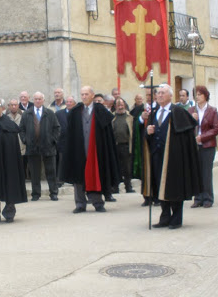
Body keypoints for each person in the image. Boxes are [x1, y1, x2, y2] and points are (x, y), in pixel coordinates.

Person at [143, 84, 201, 229]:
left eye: (163, 93)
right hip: (157, 156)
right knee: (160, 187)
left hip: (174, 157)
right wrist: (147, 132)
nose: (160, 95)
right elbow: (148, 136)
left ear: (170, 95)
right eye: (158, 93)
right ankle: (164, 217)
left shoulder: (178, 112)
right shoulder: (154, 113)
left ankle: (176, 218)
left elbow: (186, 134)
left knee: (174, 187)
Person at [60, 85, 119, 213]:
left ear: (92, 95)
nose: (84, 97)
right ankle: (80, 204)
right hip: (79, 149)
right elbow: (70, 133)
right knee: (79, 176)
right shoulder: (75, 111)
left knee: (95, 174)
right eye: (82, 94)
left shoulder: (100, 111)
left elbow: (108, 134)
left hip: (96, 150)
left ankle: (98, 202)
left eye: (86, 94)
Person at [20, 91, 61, 201]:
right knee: (34, 173)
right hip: (32, 147)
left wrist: (52, 140)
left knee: (51, 171)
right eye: (36, 99)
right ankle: (35, 194)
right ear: (33, 100)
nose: (37, 101)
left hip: (48, 147)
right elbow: (22, 129)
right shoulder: (26, 114)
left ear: (43, 100)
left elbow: (57, 128)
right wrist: (25, 140)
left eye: (40, 99)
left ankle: (53, 193)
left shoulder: (50, 113)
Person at [190, 86, 218, 208]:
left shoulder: (212, 110)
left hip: (208, 146)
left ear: (205, 95)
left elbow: (216, 128)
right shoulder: (192, 110)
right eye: (196, 94)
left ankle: (208, 197)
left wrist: (203, 137)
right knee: (196, 172)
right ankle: (198, 198)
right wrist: (192, 120)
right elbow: (186, 127)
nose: (197, 97)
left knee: (206, 172)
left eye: (200, 94)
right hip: (195, 146)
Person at [112, 97, 135, 193]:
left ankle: (128, 187)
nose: (120, 107)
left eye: (121, 105)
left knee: (127, 168)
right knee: (115, 168)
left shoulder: (130, 117)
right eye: (118, 105)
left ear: (124, 105)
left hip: (126, 146)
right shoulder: (112, 117)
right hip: (115, 146)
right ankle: (115, 188)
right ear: (115, 106)